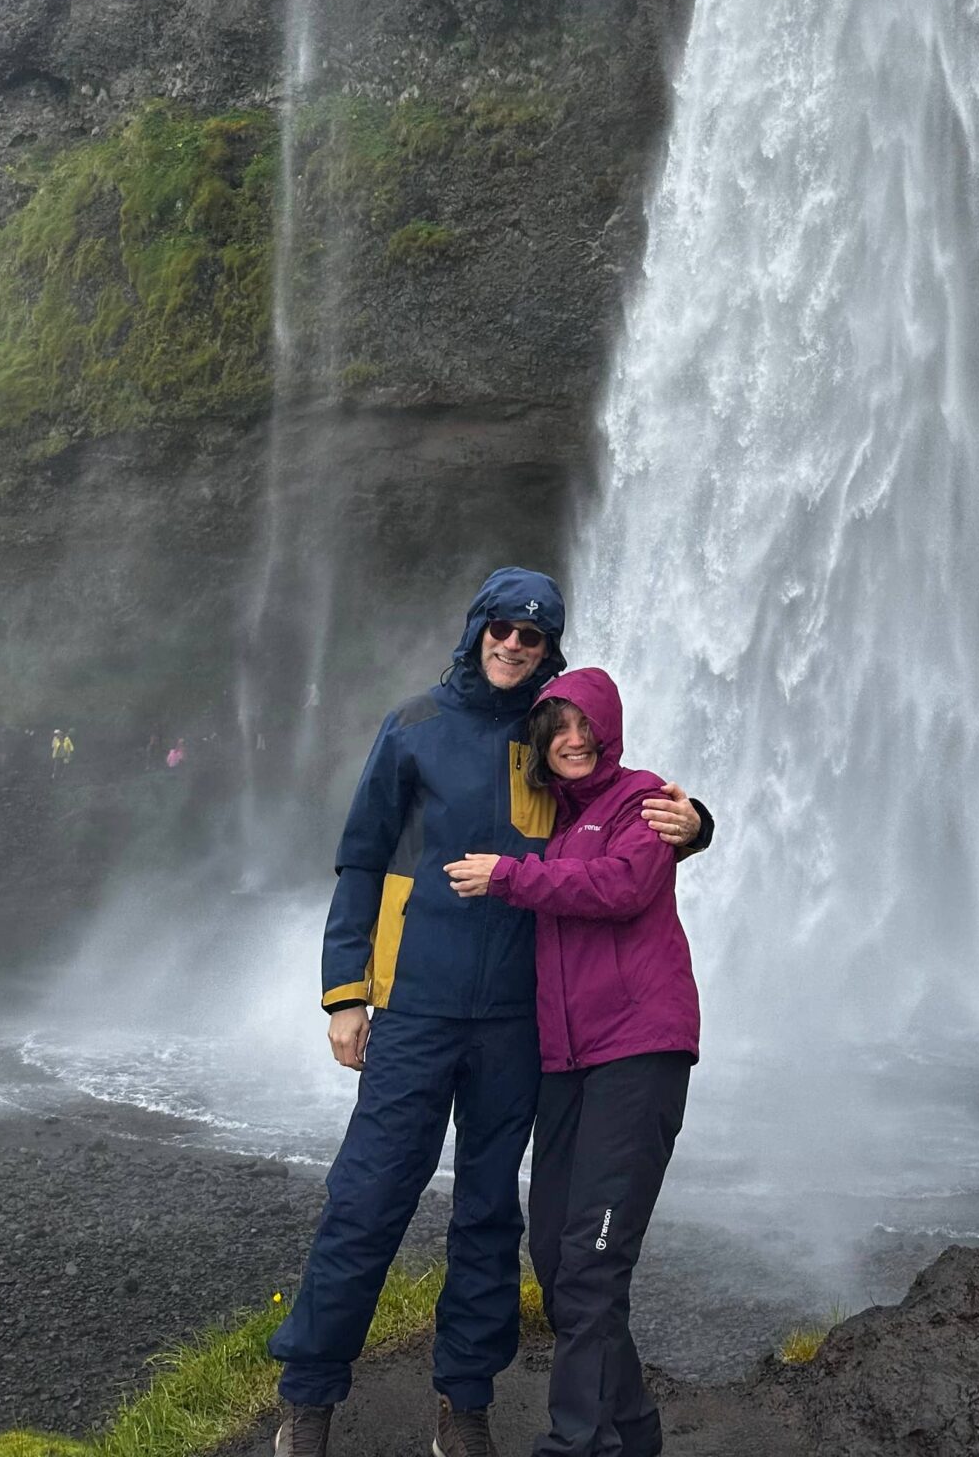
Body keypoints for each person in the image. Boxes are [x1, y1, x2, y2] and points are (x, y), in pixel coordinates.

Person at [269, 570, 711, 1457]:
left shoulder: (556, 739)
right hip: (417, 1007)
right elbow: (360, 861)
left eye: (534, 636)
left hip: (520, 1023)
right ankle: (309, 1399)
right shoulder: (414, 728)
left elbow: (629, 813)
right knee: (367, 1198)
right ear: (477, 628)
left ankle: (463, 1403)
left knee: (487, 1215)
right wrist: (347, 994)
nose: (514, 644)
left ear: (551, 650)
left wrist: (698, 822)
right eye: (503, 628)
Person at [447, 667, 698, 1457]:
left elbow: (621, 887)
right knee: (558, 1263)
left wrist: (509, 878)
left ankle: (576, 1444)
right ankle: (634, 1433)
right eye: (557, 728)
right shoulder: (550, 823)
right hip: (567, 1061)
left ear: (609, 728)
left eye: (586, 725)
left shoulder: (646, 800)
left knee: (592, 1263)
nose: (574, 739)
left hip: (639, 1050)